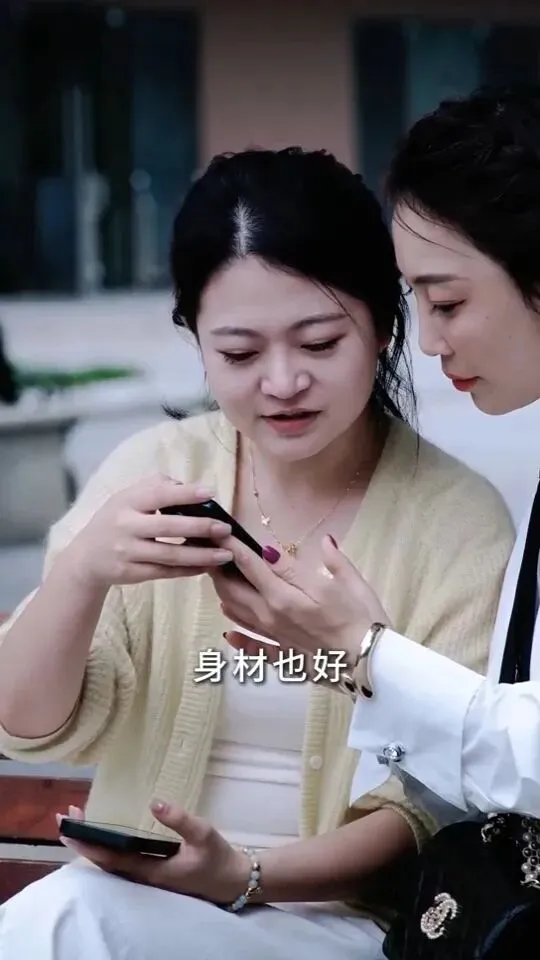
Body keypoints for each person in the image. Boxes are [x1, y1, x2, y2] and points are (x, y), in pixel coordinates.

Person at [0, 147, 513, 960]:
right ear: (196, 340)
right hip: (142, 906)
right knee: (65, 916)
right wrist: (80, 575)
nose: (281, 382)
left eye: (319, 344)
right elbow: (29, 729)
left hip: (345, 926)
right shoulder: (150, 473)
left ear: (384, 327)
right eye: (239, 353)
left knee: (61, 922)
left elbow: (426, 801)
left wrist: (245, 876)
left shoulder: (457, 522)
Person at [220, 84, 540, 822]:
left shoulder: (458, 511)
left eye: (448, 302)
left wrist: (368, 652)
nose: (428, 342)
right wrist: (359, 662)